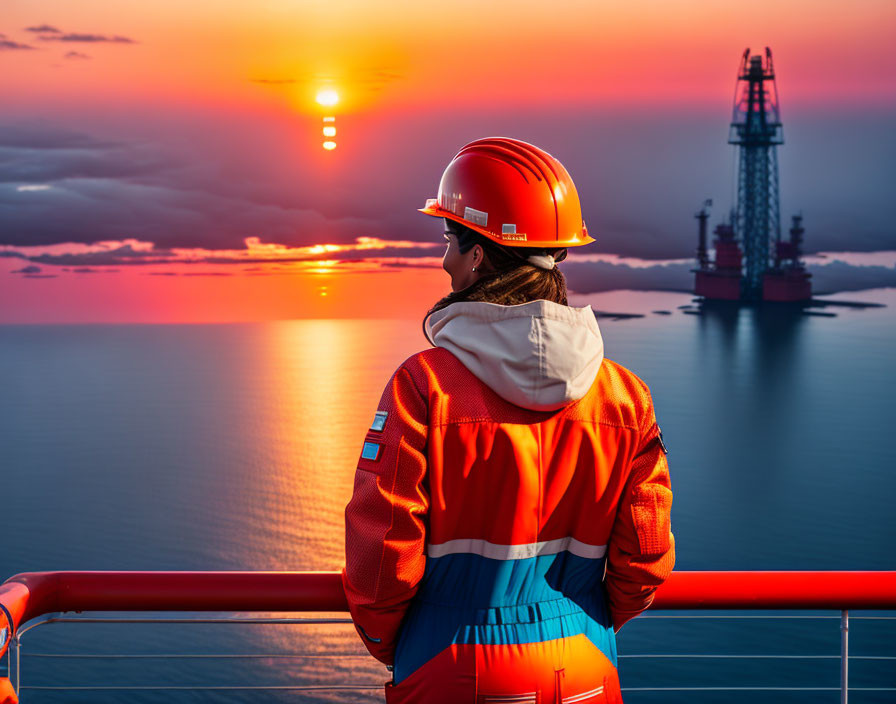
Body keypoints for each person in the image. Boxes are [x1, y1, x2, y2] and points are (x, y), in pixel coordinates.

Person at [343, 137, 674, 703]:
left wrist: (393, 641)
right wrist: (588, 622)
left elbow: (381, 556)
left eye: (450, 240)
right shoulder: (624, 396)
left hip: (448, 664)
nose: (444, 260)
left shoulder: (425, 387)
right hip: (587, 666)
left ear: (478, 255)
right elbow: (645, 554)